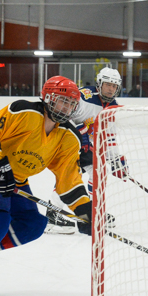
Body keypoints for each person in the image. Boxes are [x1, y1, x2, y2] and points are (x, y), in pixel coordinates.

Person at [0, 76, 93, 296]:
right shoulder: (23, 111)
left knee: (33, 225)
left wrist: (85, 208)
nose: (65, 107)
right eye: (61, 101)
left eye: (70, 104)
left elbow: (68, 178)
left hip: (16, 178)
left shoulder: (68, 137)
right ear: (47, 98)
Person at [45, 67, 124, 235]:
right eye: (108, 84)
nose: (111, 89)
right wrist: (81, 131)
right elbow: (62, 115)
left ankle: (92, 211)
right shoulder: (83, 96)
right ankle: (53, 214)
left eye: (114, 86)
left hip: (83, 146)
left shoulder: (113, 107)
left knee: (99, 171)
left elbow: (108, 135)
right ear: (100, 83)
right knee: (71, 175)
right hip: (64, 140)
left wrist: (117, 159)